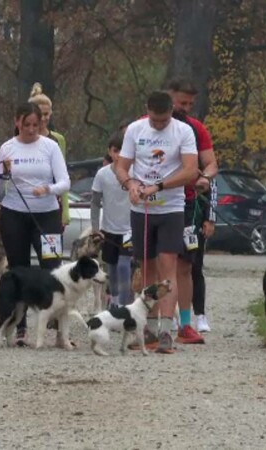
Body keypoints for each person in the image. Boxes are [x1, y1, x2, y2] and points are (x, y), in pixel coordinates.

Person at [114, 90, 198, 354]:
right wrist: (130, 184)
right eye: (155, 120)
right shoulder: (135, 130)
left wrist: (158, 186)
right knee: (147, 269)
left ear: (171, 111)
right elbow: (121, 166)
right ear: (147, 110)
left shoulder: (183, 131)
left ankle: (166, 331)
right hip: (142, 211)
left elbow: (190, 171)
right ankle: (147, 329)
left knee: (168, 270)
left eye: (164, 120)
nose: (160, 124)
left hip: (171, 209)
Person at [0, 102, 70, 346]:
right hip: (14, 213)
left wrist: (48, 189)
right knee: (18, 269)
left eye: (37, 124)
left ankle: (57, 329)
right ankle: (19, 327)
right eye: (27, 125)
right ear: (17, 122)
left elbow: (65, 182)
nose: (32, 130)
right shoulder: (7, 148)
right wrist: (3, 175)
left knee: (52, 269)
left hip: (46, 215)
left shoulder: (50, 147)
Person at [166, 79, 218, 336]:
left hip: (188, 204)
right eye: (181, 102)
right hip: (156, 202)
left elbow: (211, 164)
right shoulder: (144, 125)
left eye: (189, 104)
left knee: (186, 266)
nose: (185, 108)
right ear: (169, 96)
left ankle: (186, 322)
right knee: (157, 265)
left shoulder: (197, 129)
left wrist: (204, 177)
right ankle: (157, 320)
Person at [91, 135, 133, 306]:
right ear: (110, 152)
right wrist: (95, 228)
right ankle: (114, 301)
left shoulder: (135, 172)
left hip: (129, 229)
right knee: (112, 267)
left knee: (124, 265)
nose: (119, 155)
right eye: (116, 151)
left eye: (123, 151)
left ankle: (125, 304)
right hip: (108, 229)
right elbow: (95, 202)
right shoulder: (102, 174)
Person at [27, 83, 70, 230]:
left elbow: (63, 177)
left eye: (46, 114)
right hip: (26, 206)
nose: (43, 119)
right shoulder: (20, 139)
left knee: (49, 252)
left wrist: (65, 212)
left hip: (51, 205)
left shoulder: (58, 140)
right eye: (40, 114)